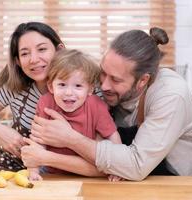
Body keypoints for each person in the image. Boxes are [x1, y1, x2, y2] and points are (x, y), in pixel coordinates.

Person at [27, 27, 192, 181]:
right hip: (146, 168)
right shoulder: (102, 86)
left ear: (142, 81)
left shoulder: (171, 95)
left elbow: (136, 165)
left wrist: (70, 138)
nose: (103, 85)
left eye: (115, 80)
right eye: (102, 72)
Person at [0, 22, 103, 176]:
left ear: (59, 50)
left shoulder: (88, 88)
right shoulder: (14, 86)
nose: (33, 59)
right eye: (24, 53)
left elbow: (103, 162)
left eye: (42, 49)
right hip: (8, 166)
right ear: (17, 61)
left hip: (59, 172)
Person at [27, 49, 122, 181]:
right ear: (50, 86)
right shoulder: (45, 102)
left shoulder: (96, 105)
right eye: (62, 85)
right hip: (51, 170)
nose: (69, 92)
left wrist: (118, 166)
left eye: (78, 86)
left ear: (90, 89)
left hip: (86, 169)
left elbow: (112, 135)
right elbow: (38, 138)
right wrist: (33, 170)